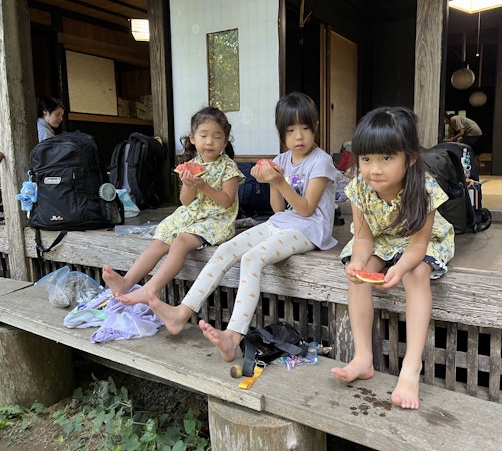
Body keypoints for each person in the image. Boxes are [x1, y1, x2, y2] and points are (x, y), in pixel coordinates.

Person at [134, 92, 337, 361]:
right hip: (282, 222)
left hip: (310, 229)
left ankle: (233, 336)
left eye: (305, 128)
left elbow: (306, 209)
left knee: (253, 258)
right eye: (290, 130)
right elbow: (278, 209)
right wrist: (271, 181)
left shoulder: (321, 161)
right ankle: (181, 313)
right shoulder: (282, 160)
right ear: (281, 133)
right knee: (226, 250)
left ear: (316, 127)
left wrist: (278, 181)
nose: (298, 137)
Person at [331, 107, 455, 410]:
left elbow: (418, 246)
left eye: (386, 158)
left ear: (409, 158)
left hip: (419, 241)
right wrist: (358, 262)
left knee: (416, 274)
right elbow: (363, 239)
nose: (374, 169)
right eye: (366, 159)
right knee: (358, 275)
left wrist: (398, 268)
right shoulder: (359, 188)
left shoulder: (423, 188)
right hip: (380, 238)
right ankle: (363, 357)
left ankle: (411, 367)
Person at [103, 106, 244, 303]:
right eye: (203, 135)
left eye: (217, 136)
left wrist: (204, 186)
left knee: (180, 242)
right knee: (160, 239)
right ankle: (126, 282)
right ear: (193, 138)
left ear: (225, 141)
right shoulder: (192, 164)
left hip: (216, 220)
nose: (209, 141)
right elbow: (185, 201)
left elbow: (227, 201)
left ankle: (151, 289)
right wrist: (189, 185)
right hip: (190, 215)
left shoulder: (229, 167)